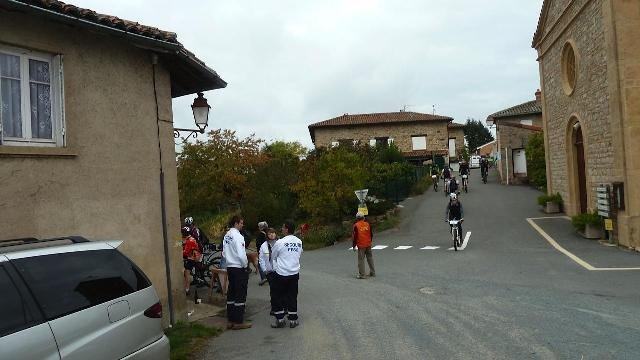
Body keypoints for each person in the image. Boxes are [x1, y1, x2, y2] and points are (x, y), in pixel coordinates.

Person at [271, 220, 303, 329]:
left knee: (278, 296)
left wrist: (275, 268)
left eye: (283, 227)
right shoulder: (299, 242)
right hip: (294, 273)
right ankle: (293, 320)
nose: (282, 229)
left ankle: (280, 319)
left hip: (281, 273)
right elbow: (298, 254)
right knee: (292, 296)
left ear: (287, 229)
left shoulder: (279, 242)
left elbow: (273, 256)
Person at [222, 215, 252, 330]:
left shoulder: (227, 235)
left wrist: (229, 259)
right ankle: (239, 321)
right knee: (240, 293)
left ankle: (231, 319)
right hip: (239, 268)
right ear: (236, 223)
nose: (242, 225)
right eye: (241, 223)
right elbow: (241, 254)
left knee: (232, 292)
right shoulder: (238, 236)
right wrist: (245, 266)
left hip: (230, 266)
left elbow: (224, 252)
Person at [258, 228, 279, 315]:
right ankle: (274, 308)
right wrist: (264, 270)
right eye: (269, 233)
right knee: (273, 290)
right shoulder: (264, 245)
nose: (272, 235)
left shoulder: (280, 243)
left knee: (281, 289)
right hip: (270, 271)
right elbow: (261, 259)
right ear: (267, 235)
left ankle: (282, 307)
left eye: (273, 233)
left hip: (279, 270)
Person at [352, 212, 375, 279]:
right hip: (368, 244)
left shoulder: (356, 225)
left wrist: (354, 246)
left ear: (357, 218)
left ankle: (362, 275)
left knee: (361, 260)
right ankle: (372, 272)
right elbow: (371, 234)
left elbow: (354, 237)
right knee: (370, 258)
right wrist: (370, 241)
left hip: (361, 245)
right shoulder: (367, 224)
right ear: (363, 217)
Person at [182, 226, 201, 296]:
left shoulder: (190, 241)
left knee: (187, 273)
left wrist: (178, 252)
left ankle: (187, 290)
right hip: (192, 257)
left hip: (192, 258)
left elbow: (186, 252)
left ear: (184, 234)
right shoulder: (189, 238)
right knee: (186, 273)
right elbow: (181, 243)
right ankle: (187, 287)